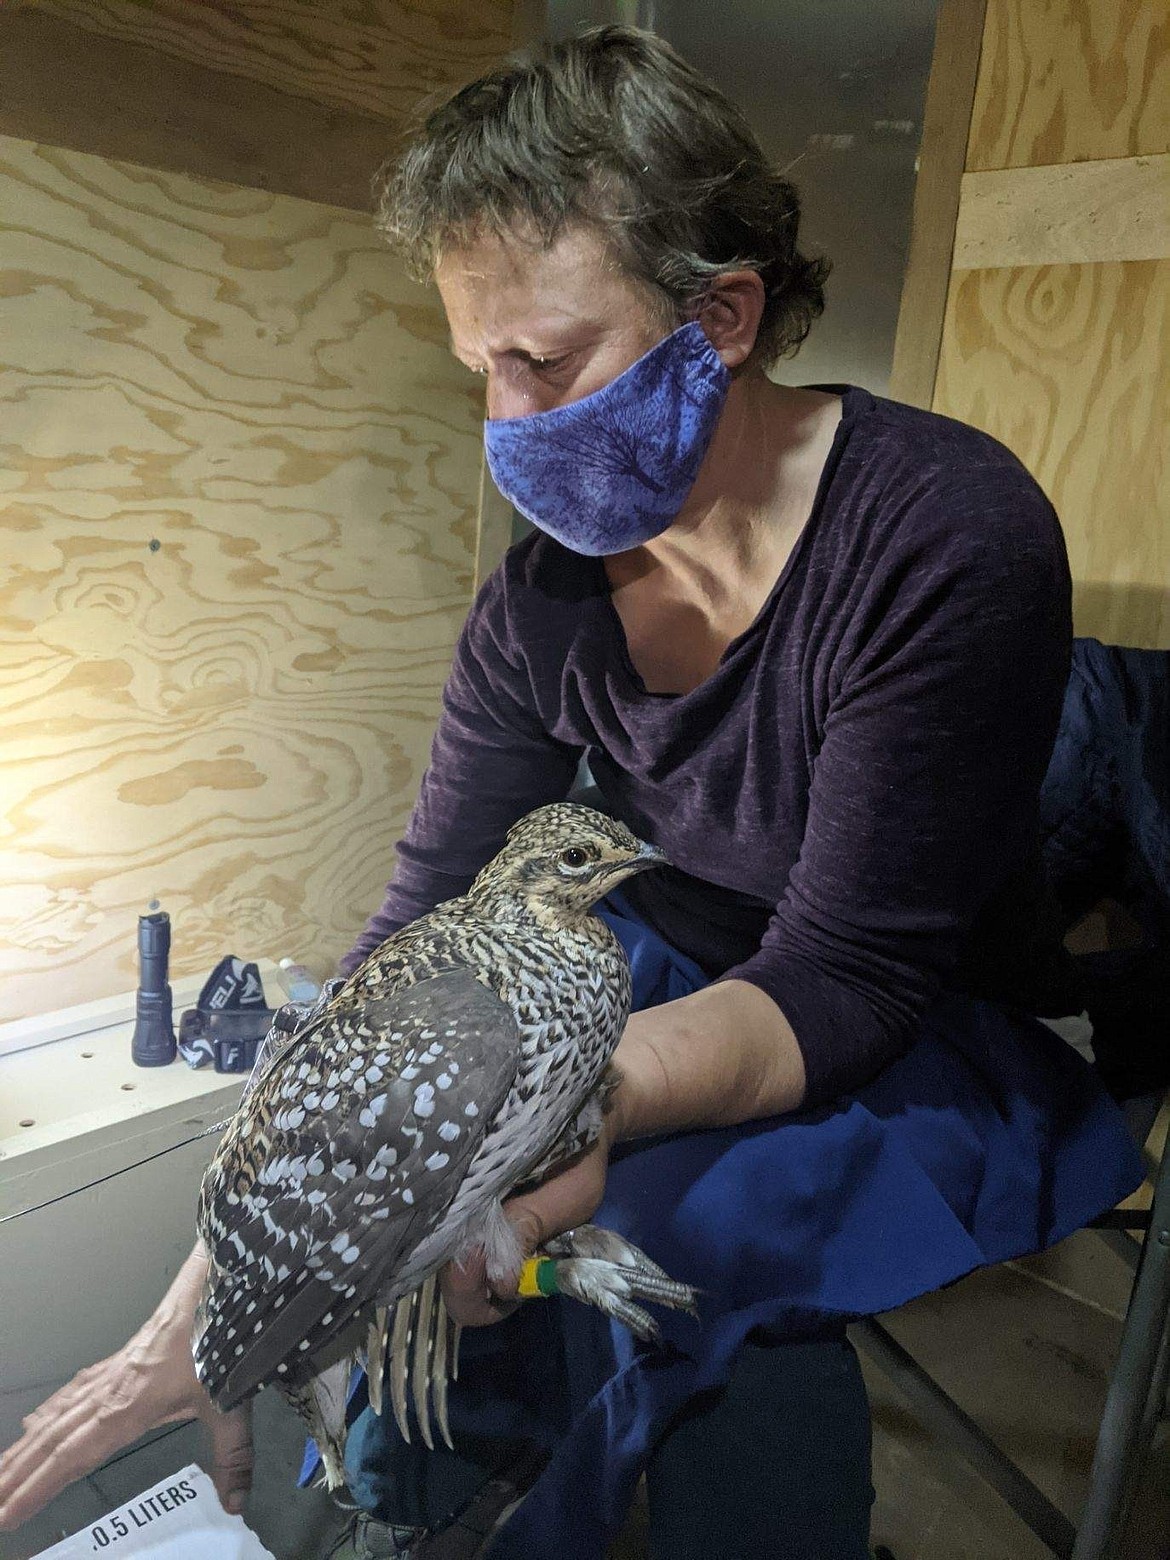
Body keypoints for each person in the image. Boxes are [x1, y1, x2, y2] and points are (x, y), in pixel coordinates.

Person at [0, 26, 1144, 1560]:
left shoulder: (941, 537)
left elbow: (849, 972)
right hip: (660, 947)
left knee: (684, 1264)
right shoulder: (541, 607)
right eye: (481, 368)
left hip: (900, 1003)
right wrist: (196, 1321)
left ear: (719, 316)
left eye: (548, 359)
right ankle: (417, 1496)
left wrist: (555, 1109)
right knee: (454, 1228)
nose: (509, 422)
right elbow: (415, 936)